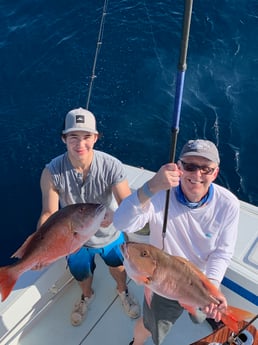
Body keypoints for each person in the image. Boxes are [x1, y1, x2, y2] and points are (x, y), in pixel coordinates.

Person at [113, 139, 240, 345]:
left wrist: (213, 287)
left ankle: (205, 313)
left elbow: (222, 252)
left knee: (202, 314)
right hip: (162, 282)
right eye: (190, 166)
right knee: (150, 326)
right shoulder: (159, 193)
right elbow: (121, 223)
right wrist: (152, 186)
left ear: (215, 173)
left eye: (205, 169)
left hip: (200, 281)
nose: (197, 175)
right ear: (179, 168)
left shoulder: (228, 204)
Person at [37, 107, 140, 326]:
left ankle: (123, 291)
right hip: (74, 242)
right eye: (73, 137)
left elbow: (128, 204)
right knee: (81, 274)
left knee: (119, 267)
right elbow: (49, 213)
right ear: (64, 138)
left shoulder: (111, 165)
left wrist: (114, 215)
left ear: (95, 137)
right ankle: (87, 296)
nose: (80, 144)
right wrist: (39, 248)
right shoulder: (51, 172)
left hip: (109, 236)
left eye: (86, 137)